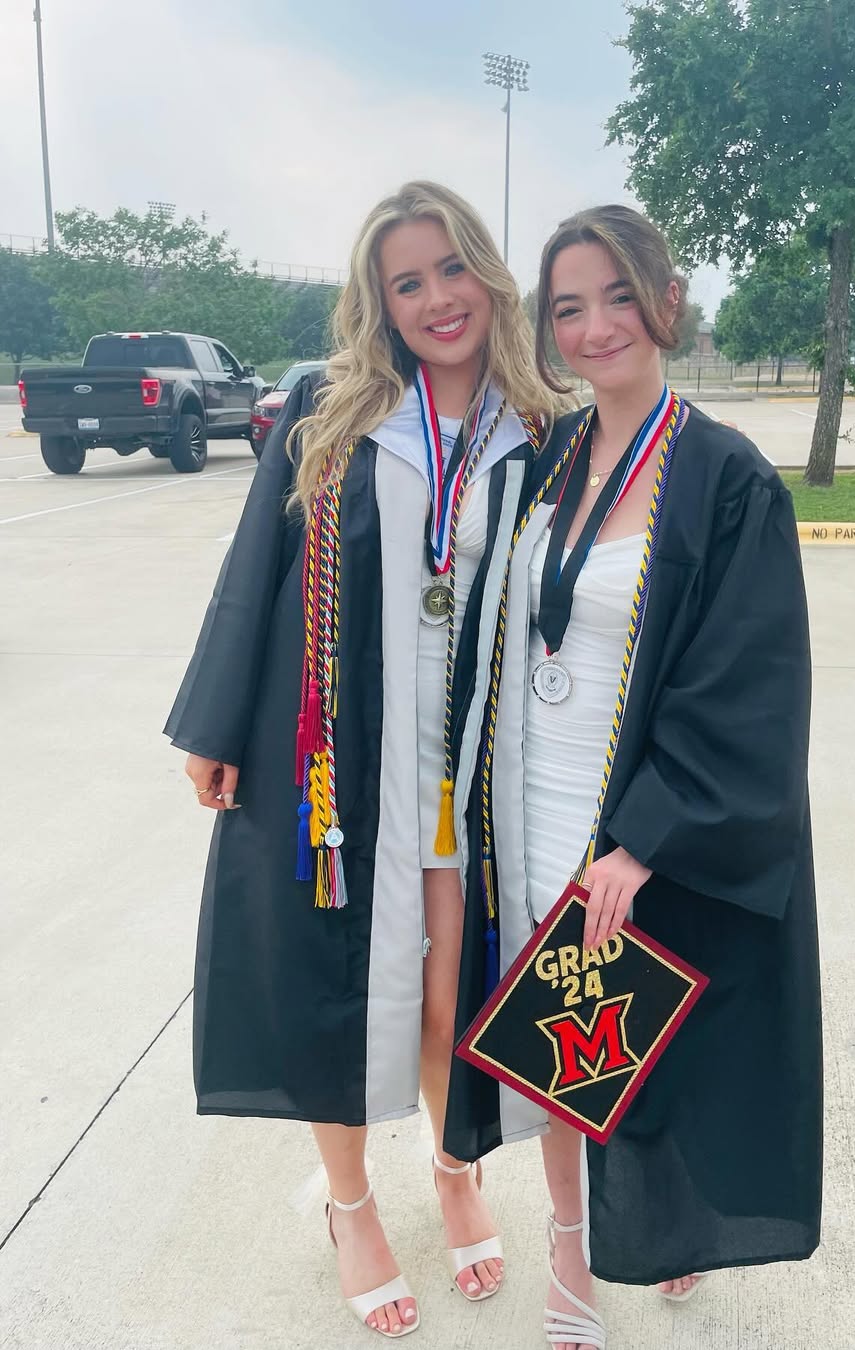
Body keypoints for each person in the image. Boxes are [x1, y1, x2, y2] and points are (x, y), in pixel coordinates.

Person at [164, 181, 560, 1340]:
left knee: (451, 996)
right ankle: (350, 1206)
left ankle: (453, 1167)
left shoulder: (542, 430)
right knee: (332, 988)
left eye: (452, 269)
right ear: (379, 303)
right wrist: (216, 727)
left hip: (472, 766)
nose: (437, 299)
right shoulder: (331, 414)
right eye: (407, 282)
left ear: (489, 277)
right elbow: (254, 571)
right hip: (341, 761)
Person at [445, 205, 823, 1350]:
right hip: (535, 799)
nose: (596, 326)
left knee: (650, 1044)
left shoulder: (724, 476)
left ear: (665, 300)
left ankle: (661, 1225)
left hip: (639, 816)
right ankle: (572, 1248)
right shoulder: (552, 453)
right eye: (569, 307)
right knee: (565, 1043)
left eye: (618, 296)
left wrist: (645, 838)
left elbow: (746, 677)